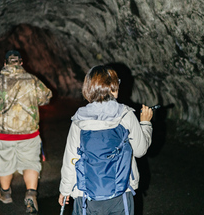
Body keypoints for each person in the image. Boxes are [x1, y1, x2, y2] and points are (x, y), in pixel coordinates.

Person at [58, 65, 153, 214]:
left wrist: (65, 190)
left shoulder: (79, 120)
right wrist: (146, 123)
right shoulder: (126, 115)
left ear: (88, 90)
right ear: (114, 89)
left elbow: (71, 158)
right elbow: (140, 150)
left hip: (86, 194)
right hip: (121, 191)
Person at [0, 50, 52, 214]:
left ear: (5, 64)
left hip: (2, 135)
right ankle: (31, 194)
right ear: (21, 63)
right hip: (29, 133)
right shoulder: (32, 81)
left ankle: (5, 193)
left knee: (4, 164)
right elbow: (46, 97)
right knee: (31, 163)